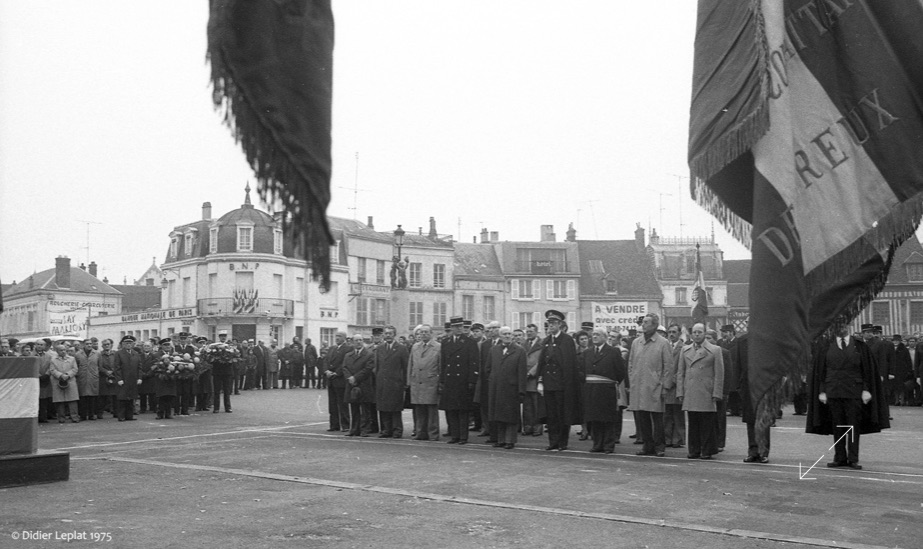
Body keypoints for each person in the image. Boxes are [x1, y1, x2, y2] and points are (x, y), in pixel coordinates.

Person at [807, 320, 890, 470]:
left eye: (843, 326)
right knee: (837, 426)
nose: (841, 329)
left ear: (849, 327)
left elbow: (867, 371)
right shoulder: (825, 346)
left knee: (853, 426)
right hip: (833, 391)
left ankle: (853, 458)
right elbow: (820, 372)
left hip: (854, 392)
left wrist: (866, 389)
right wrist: (822, 391)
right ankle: (839, 458)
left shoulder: (860, 346)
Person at [627, 313, 674, 457]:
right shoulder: (636, 342)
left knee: (657, 419)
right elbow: (630, 363)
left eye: (647, 322)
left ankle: (660, 446)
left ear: (654, 325)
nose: (643, 325)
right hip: (639, 386)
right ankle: (647, 446)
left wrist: (666, 386)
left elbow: (669, 366)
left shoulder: (663, 343)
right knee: (643, 418)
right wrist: (632, 379)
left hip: (655, 387)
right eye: (643, 322)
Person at [677, 323, 724, 460]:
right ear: (691, 335)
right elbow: (681, 372)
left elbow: (719, 373)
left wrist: (717, 392)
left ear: (704, 333)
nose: (697, 335)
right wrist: (680, 391)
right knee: (693, 422)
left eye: (700, 332)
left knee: (707, 423)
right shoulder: (685, 350)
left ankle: (707, 450)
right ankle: (694, 450)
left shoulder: (715, 350)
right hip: (691, 391)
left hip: (706, 391)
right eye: (695, 332)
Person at [537, 310, 582, 451]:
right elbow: (542, 363)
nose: (550, 326)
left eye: (553, 323)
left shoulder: (567, 340)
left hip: (562, 385)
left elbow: (569, 365)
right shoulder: (546, 341)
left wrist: (568, 385)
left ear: (560, 324)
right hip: (549, 384)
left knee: (563, 414)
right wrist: (540, 381)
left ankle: (563, 442)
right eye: (549, 323)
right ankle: (553, 442)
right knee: (551, 415)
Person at [582, 327, 626, 453]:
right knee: (595, 418)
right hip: (591, 390)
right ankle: (597, 444)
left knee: (607, 419)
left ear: (604, 337)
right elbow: (582, 371)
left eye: (597, 334)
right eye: (593, 334)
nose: (594, 337)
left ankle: (608, 445)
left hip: (606, 390)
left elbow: (620, 372)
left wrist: (609, 382)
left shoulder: (613, 352)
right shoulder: (587, 353)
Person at [439, 316, 479, 445]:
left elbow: (474, 363)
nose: (459, 329)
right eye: (456, 327)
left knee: (462, 410)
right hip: (450, 381)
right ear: (451, 328)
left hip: (463, 381)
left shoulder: (469, 342)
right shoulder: (446, 342)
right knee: (451, 409)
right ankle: (454, 435)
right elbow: (443, 363)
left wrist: (472, 381)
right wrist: (442, 380)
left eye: (461, 326)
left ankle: (463, 437)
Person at [487, 326, 527, 449]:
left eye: (509, 333)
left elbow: (522, 372)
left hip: (511, 388)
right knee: (498, 415)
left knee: (510, 416)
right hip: (497, 388)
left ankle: (510, 440)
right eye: (505, 334)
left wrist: (521, 390)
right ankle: (500, 439)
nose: (508, 336)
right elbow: (488, 368)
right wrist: (494, 381)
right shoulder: (494, 350)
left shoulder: (520, 351)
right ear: (500, 336)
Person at [735, 333, 769, 463]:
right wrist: (738, 385)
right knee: (750, 419)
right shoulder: (742, 340)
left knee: (762, 419)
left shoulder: (767, 338)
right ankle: (752, 451)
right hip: (747, 385)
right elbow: (738, 364)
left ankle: (763, 452)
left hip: (763, 384)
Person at [374, 326, 408, 438]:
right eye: (386, 333)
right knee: (383, 408)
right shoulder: (380, 348)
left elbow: (405, 367)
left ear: (394, 335)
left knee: (395, 409)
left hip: (395, 383)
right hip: (382, 383)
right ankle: (386, 430)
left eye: (390, 333)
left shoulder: (402, 348)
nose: (388, 335)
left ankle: (397, 431)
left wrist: (403, 383)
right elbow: (377, 366)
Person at [408, 324, 441, 441]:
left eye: (426, 332)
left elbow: (440, 365)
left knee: (432, 410)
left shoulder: (438, 347)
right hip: (417, 381)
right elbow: (410, 364)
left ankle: (433, 434)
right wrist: (409, 381)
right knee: (419, 409)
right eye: (421, 332)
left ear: (431, 333)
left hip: (431, 382)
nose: (423, 334)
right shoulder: (415, 347)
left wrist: (440, 382)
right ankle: (420, 432)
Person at [343, 334, 375, 437]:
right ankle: (354, 429)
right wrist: (349, 378)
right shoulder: (348, 355)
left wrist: (355, 378)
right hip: (352, 385)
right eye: (356, 340)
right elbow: (344, 368)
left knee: (365, 409)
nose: (359, 342)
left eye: (360, 340)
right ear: (352, 342)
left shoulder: (369, 354)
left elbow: (368, 369)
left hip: (364, 384)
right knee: (354, 408)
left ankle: (364, 430)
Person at [705, 329, 732, 452]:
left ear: (715, 340)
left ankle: (720, 442)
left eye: (709, 338)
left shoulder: (724, 352)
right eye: (706, 338)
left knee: (720, 417)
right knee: (709, 418)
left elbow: (728, 373)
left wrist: (725, 391)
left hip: (720, 391)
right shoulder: (703, 352)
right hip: (706, 391)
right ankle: (710, 440)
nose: (707, 340)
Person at [663, 323, 686, 449]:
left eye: (674, 332)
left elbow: (683, 367)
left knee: (677, 414)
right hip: (665, 385)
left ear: (679, 334)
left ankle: (678, 439)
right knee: (666, 414)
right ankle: (667, 438)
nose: (671, 334)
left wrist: (673, 379)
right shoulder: (665, 346)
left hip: (677, 385)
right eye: (670, 332)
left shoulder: (684, 347)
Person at [521, 323, 545, 437]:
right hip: (524, 379)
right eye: (527, 331)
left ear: (536, 332)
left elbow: (541, 361)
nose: (529, 333)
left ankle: (537, 428)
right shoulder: (523, 344)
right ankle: (527, 427)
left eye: (531, 331)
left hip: (535, 378)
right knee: (527, 406)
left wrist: (530, 373)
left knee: (537, 405)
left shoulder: (542, 344)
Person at [324, 332, 350, 431]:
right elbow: (326, 361)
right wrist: (326, 371)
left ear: (344, 338)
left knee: (342, 404)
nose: (337, 338)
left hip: (340, 379)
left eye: (339, 336)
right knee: (332, 404)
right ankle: (334, 425)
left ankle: (346, 425)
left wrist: (337, 373)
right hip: (331, 380)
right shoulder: (332, 348)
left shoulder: (348, 349)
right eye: (336, 336)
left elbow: (345, 363)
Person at [113, 335, 142, 421]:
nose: (128, 344)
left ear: (133, 344)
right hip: (123, 379)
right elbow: (117, 367)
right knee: (122, 398)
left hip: (133, 380)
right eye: (126, 343)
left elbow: (139, 367)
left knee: (131, 398)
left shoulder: (136, 354)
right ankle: (121, 416)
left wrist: (139, 377)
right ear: (123, 344)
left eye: (130, 343)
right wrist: (119, 379)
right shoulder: (118, 353)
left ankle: (129, 416)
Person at [49, 343, 80, 423]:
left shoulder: (72, 359)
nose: (63, 352)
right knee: (59, 401)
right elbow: (52, 370)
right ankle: (61, 418)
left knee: (72, 400)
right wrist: (60, 375)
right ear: (57, 351)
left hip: (70, 380)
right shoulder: (53, 359)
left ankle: (74, 417)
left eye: (64, 350)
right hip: (58, 381)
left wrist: (68, 375)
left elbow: (75, 369)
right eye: (61, 350)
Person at [211, 330, 236, 413]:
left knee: (227, 390)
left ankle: (228, 407)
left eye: (224, 336)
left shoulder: (230, 346)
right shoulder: (215, 346)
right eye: (221, 336)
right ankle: (216, 407)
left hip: (227, 371)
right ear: (219, 337)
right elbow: (211, 358)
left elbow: (234, 357)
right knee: (217, 390)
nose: (223, 337)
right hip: (217, 371)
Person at [75, 338, 100, 421]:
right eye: (87, 344)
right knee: (83, 397)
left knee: (92, 397)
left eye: (90, 344)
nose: (89, 345)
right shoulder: (78, 354)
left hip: (93, 378)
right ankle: (83, 415)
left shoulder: (97, 354)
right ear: (83, 345)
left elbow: (99, 365)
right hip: (82, 378)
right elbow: (76, 366)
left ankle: (91, 414)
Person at [153, 338, 178, 419]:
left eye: (168, 345)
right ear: (161, 346)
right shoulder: (156, 355)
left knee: (170, 396)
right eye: (165, 345)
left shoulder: (174, 355)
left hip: (171, 379)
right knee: (162, 397)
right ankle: (160, 413)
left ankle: (168, 413)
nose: (167, 346)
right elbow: (153, 367)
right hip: (161, 379)